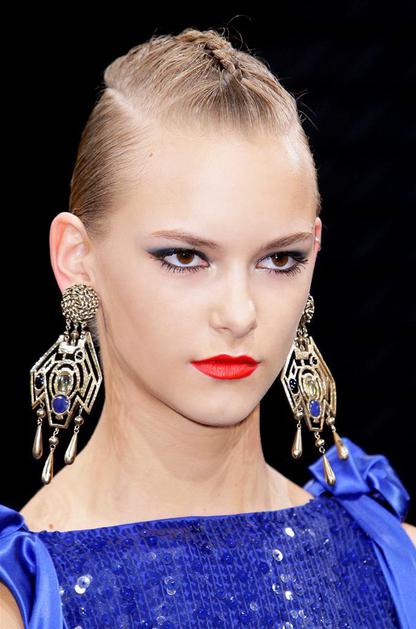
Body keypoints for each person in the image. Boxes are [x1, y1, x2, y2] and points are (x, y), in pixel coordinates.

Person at [1, 26, 415, 629]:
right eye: (185, 257)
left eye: (280, 259)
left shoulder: (396, 566)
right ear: (76, 259)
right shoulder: (22, 601)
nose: (240, 314)